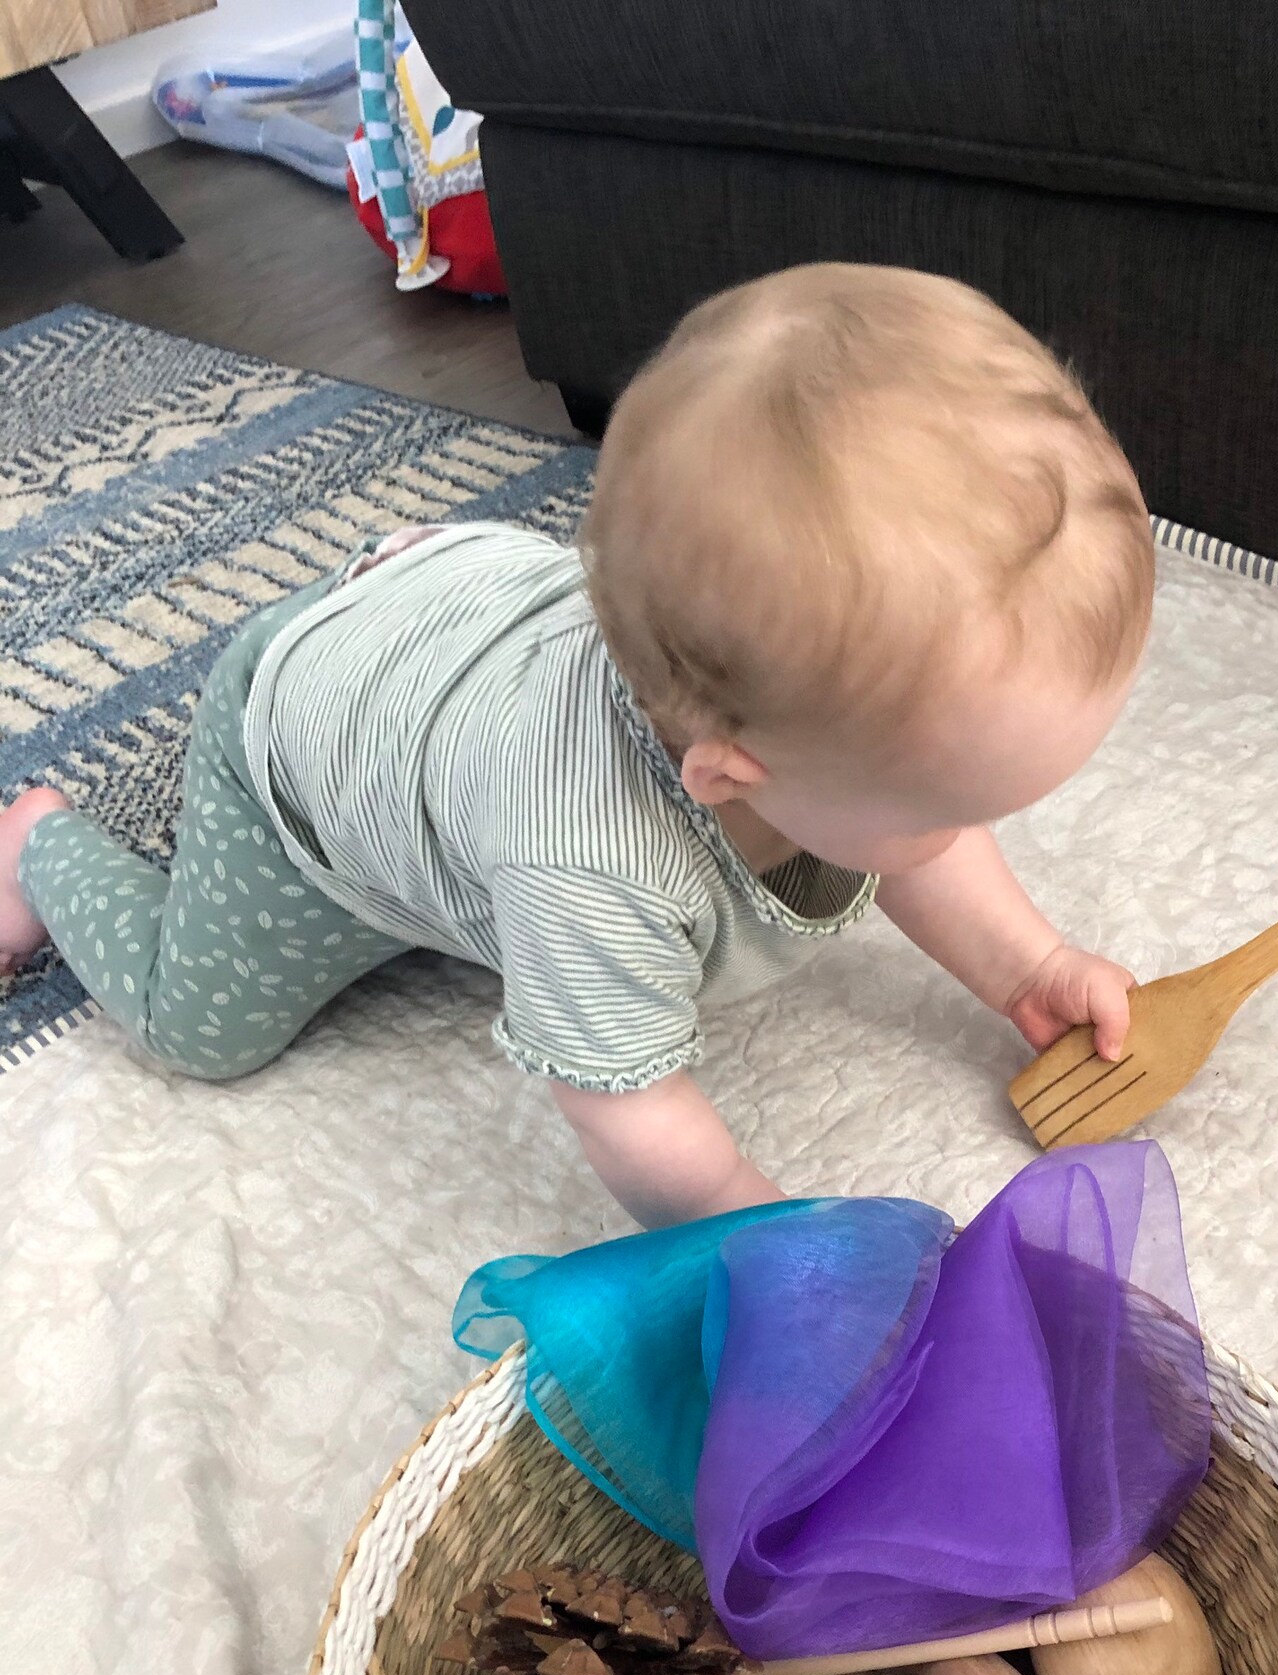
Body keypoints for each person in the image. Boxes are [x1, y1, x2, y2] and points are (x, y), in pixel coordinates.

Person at [0, 264, 1154, 1228]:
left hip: (465, 606)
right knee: (198, 1030)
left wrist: (1030, 968)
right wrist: (758, 1230)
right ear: (730, 777)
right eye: (946, 808)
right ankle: (36, 846)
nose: (966, 835)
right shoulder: (589, 864)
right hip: (305, 749)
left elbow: (907, 843)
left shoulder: (772, 718)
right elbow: (630, 1114)